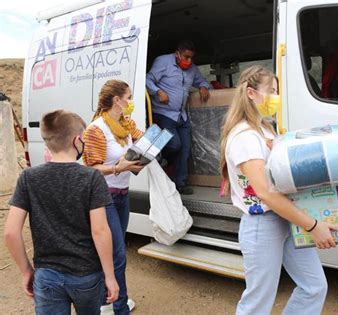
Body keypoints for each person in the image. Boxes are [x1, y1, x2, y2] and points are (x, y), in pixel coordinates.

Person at [219, 65, 338, 315]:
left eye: (276, 91)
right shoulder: (244, 136)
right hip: (262, 224)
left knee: (314, 287)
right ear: (251, 93)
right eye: (271, 91)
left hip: (287, 217)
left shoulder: (264, 128)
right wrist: (313, 225)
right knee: (258, 303)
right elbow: (265, 192)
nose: (276, 97)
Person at [4, 109, 119, 315]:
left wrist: (26, 271)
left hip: (47, 275)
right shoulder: (91, 178)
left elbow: (11, 232)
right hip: (87, 275)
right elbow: (101, 231)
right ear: (77, 140)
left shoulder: (28, 178)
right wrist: (110, 276)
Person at [83, 80, 144, 315]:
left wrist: (149, 148)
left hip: (123, 194)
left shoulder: (126, 123)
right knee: (118, 254)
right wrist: (120, 167)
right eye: (128, 97)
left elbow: (141, 140)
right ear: (117, 100)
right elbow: (92, 168)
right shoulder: (96, 129)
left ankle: (103, 300)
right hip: (103, 197)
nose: (131, 102)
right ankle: (120, 307)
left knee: (110, 253)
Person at [146, 40, 211, 195]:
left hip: (181, 115)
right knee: (175, 145)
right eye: (186, 57)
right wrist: (158, 92)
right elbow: (148, 79)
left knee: (185, 148)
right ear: (177, 53)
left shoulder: (192, 68)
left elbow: (202, 80)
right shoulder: (163, 62)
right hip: (163, 113)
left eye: (191, 58)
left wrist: (203, 86)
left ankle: (179, 183)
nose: (188, 61)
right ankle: (158, 155)